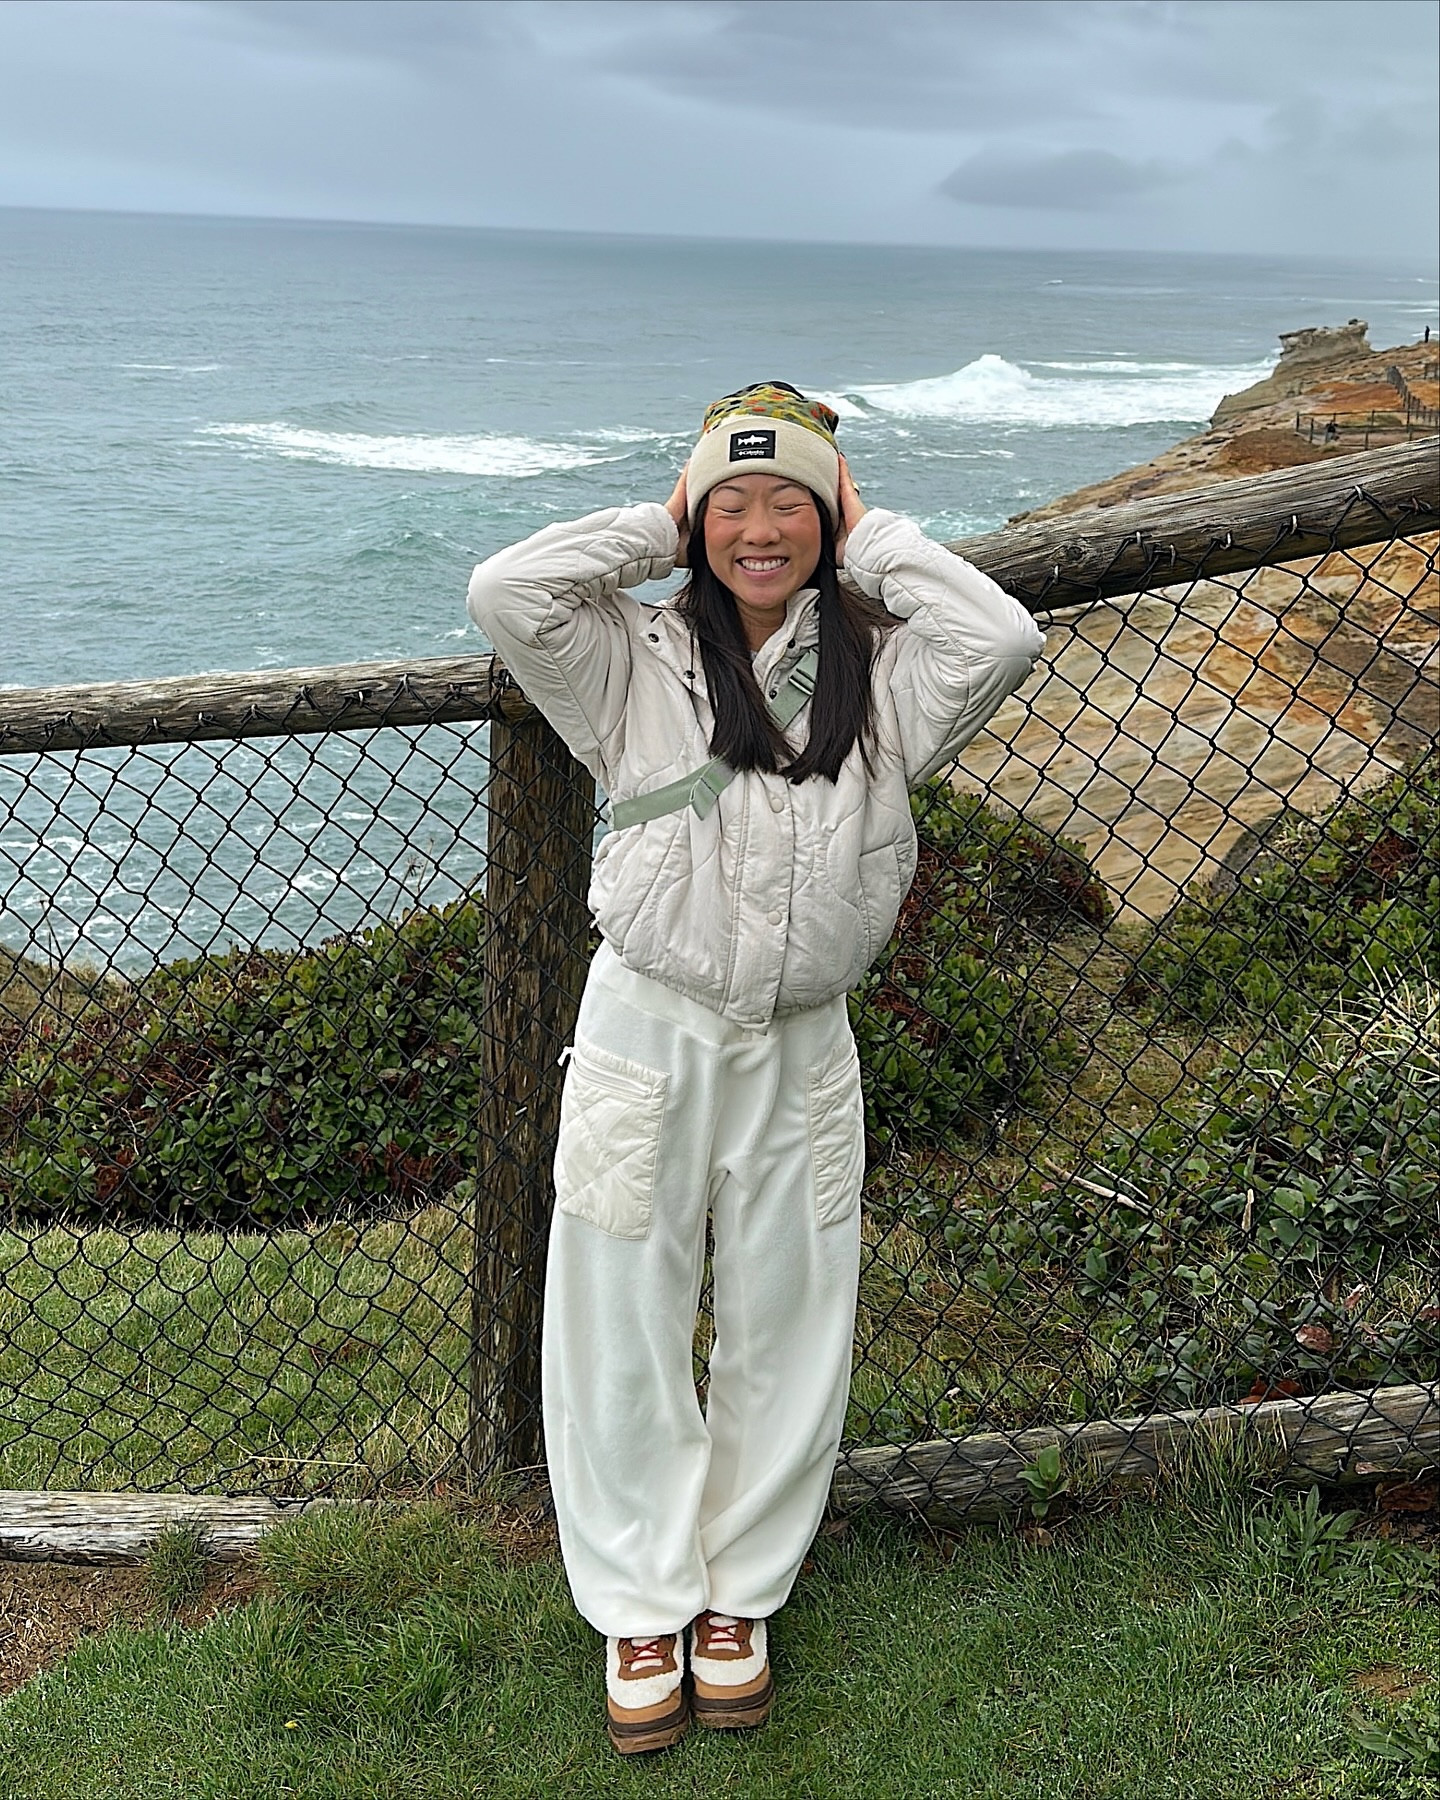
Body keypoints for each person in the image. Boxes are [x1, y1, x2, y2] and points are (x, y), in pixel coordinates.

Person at [466, 381, 1044, 1754]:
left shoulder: (884, 673)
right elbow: (506, 589)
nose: (762, 528)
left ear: (830, 515)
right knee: (622, 1305)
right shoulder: (629, 658)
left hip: (803, 1037)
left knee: (791, 1307)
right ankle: (640, 1601)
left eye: (792, 500)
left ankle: (739, 1595)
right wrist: (656, 523)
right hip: (648, 1024)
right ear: (698, 515)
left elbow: (1005, 635)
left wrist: (871, 532)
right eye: (735, 501)